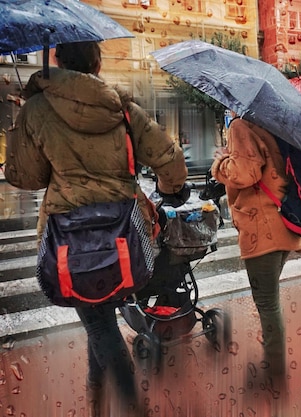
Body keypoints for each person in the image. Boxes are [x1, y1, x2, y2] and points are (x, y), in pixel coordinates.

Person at [4, 41, 188, 416]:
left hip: (69, 239)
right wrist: (174, 191)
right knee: (99, 312)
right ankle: (96, 402)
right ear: (97, 62)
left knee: (97, 320)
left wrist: (21, 131)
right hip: (124, 232)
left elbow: (27, 176)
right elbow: (169, 156)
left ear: (56, 59)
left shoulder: (38, 108)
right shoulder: (121, 108)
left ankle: (133, 408)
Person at [211, 116, 301, 377]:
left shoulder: (241, 126)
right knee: (270, 299)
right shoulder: (279, 123)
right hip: (283, 220)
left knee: (267, 303)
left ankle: (274, 372)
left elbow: (244, 174)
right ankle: (272, 362)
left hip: (261, 226)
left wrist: (221, 161)